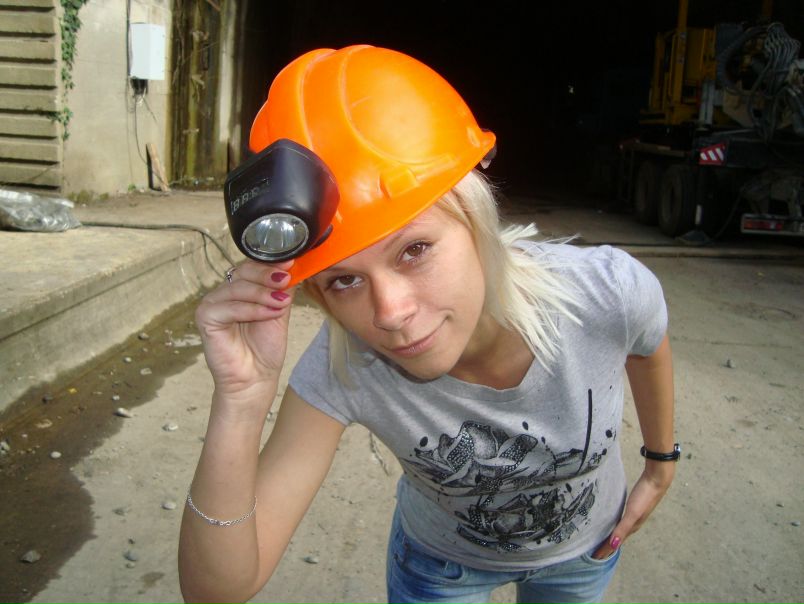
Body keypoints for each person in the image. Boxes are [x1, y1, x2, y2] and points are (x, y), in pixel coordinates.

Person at [178, 45, 677, 604]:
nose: (390, 313)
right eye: (344, 281)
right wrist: (240, 400)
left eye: (414, 250)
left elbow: (648, 347)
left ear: (475, 219)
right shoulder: (346, 364)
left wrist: (660, 462)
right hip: (441, 568)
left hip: (584, 554)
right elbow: (216, 591)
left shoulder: (604, 292)